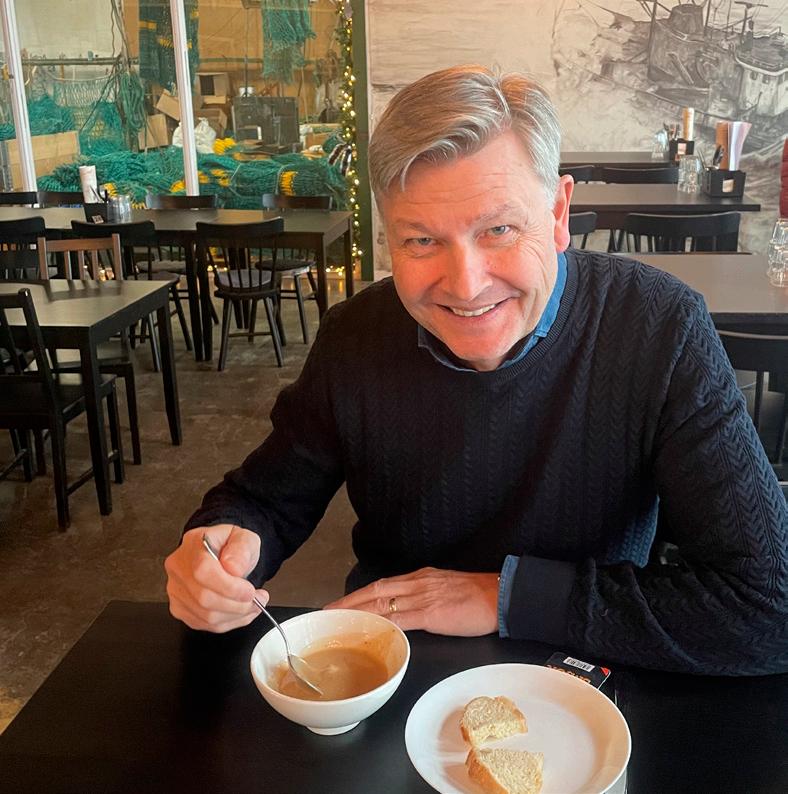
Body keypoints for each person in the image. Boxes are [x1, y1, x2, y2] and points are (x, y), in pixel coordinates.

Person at [165, 65, 787, 675]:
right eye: (421, 241)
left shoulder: (661, 327)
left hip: (588, 676)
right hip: (397, 668)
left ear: (559, 213)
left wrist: (504, 596)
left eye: (499, 230)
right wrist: (222, 547)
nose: (465, 286)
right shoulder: (355, 335)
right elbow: (265, 499)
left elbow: (770, 604)